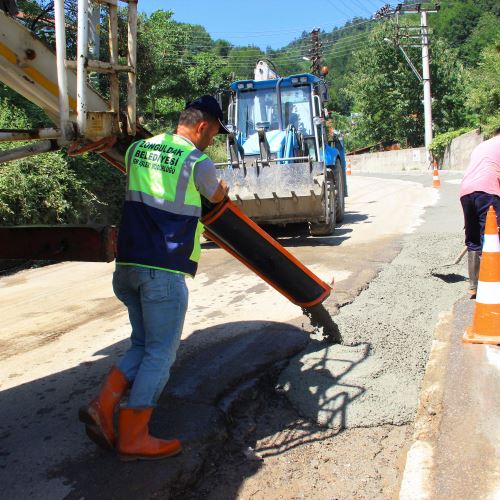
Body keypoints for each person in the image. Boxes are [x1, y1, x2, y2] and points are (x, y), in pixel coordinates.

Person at [79, 95, 229, 461]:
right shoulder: (197, 160)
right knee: (161, 354)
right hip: (162, 272)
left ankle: (102, 407)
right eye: (213, 134)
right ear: (202, 126)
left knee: (143, 346)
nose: (211, 140)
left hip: (127, 268)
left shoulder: (137, 150)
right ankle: (133, 436)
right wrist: (221, 186)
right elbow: (218, 196)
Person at [459, 127, 500, 297]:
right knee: (493, 235)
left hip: (466, 191)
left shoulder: (482, 146)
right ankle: (493, 280)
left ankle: (474, 285)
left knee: (474, 238)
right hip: (487, 190)